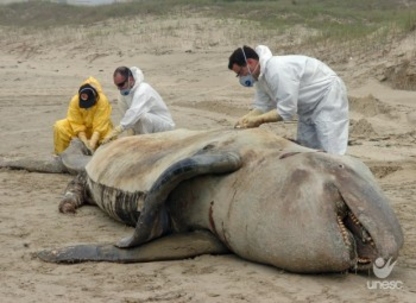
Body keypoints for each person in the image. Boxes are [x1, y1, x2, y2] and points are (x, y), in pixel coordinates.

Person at [228, 45, 349, 155]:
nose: (242, 77)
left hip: (327, 96)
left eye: (241, 72)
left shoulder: (277, 70)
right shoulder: (260, 78)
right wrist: (248, 117)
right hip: (307, 107)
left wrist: (259, 120)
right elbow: (263, 105)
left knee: (332, 149)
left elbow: (286, 111)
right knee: (308, 149)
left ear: (250, 62)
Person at [102, 66, 175, 143]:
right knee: (133, 121)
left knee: (141, 117)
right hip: (146, 125)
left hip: (163, 126)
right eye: (117, 86)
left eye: (121, 84)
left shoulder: (143, 89)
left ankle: (146, 143)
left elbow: (135, 112)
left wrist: (117, 130)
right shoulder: (123, 95)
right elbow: (126, 116)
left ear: (130, 79)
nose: (119, 88)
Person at [53, 76, 113, 154]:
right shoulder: (75, 100)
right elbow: (75, 122)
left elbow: (100, 125)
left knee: (110, 135)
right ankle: (61, 155)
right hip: (81, 130)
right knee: (60, 126)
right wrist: (84, 141)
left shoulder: (102, 101)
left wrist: (92, 144)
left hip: (98, 131)